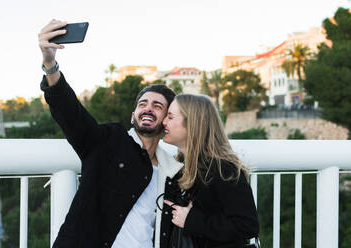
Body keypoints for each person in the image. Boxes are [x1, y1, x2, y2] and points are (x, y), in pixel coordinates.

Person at [38, 19, 183, 248]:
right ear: (133, 115)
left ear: (167, 119)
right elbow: (70, 112)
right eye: (143, 104)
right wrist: (50, 64)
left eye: (157, 106)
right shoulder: (109, 142)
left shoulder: (173, 171)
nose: (148, 108)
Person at [161, 94, 259, 248]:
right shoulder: (180, 166)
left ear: (192, 124)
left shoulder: (223, 169)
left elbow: (247, 225)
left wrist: (192, 221)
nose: (164, 122)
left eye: (170, 117)